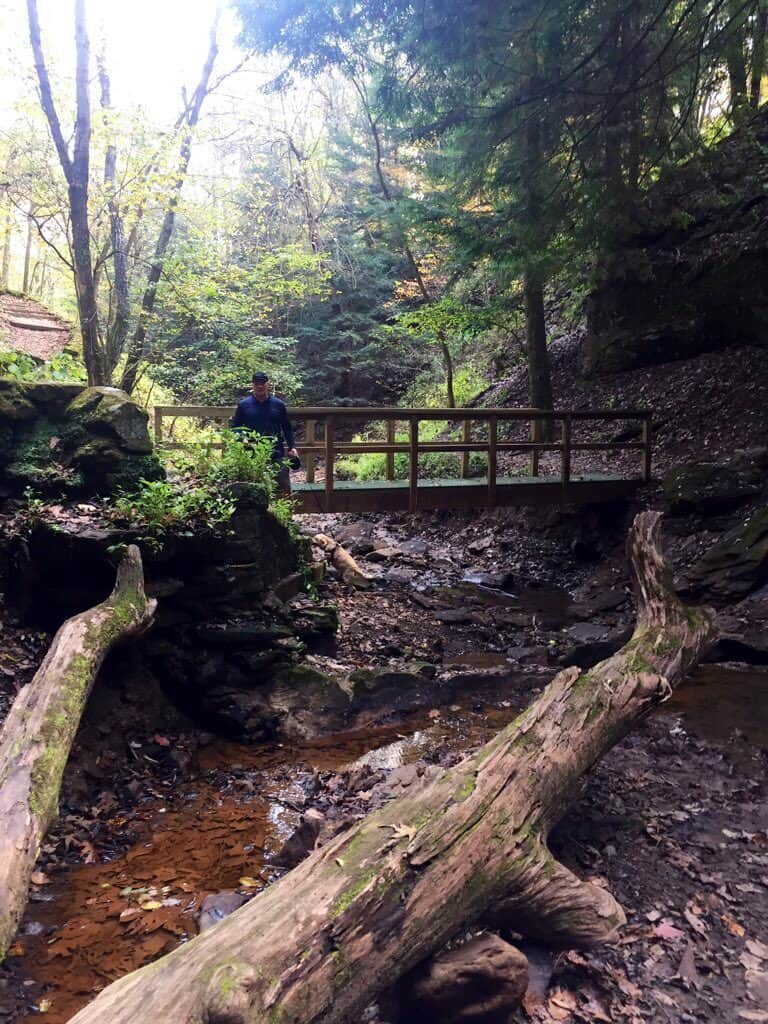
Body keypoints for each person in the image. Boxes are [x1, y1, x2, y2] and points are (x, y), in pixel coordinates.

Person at [230, 371, 299, 494]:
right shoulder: (244, 405)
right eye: (257, 383)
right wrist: (242, 439)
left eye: (262, 383)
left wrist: (292, 447)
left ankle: (285, 514)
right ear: (253, 385)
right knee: (253, 492)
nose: (260, 386)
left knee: (283, 491)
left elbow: (287, 427)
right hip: (251, 455)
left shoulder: (279, 405)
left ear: (267, 384)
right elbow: (235, 428)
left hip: (276, 455)